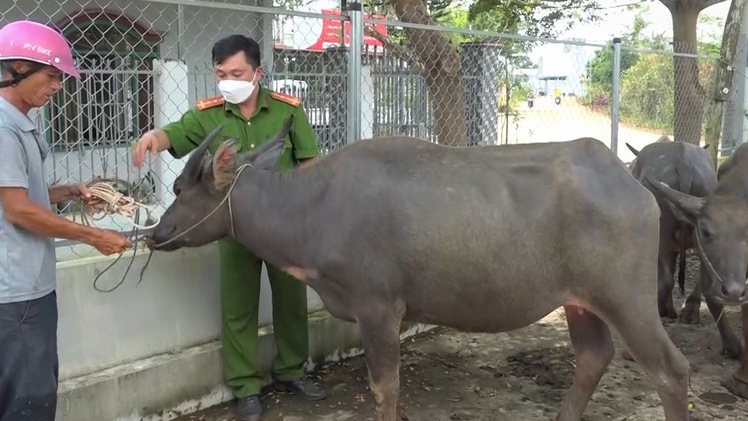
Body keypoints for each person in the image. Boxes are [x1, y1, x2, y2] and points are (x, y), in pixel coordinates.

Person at [131, 34, 327, 421]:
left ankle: (291, 372)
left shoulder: (288, 110)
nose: (228, 80)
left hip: (282, 228)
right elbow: (176, 132)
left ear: (258, 72)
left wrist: (310, 214)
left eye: (237, 72)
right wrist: (153, 138)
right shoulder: (209, 113)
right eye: (221, 73)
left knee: (291, 303)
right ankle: (246, 387)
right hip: (232, 227)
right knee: (238, 308)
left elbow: (309, 164)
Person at [0, 20, 133, 421]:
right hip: (17, 292)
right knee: (29, 401)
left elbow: (20, 193)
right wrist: (94, 236)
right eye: (52, 75)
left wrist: (70, 192)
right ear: (17, 68)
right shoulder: (4, 128)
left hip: (24, 287)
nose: (59, 85)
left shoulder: (21, 122)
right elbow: (18, 210)